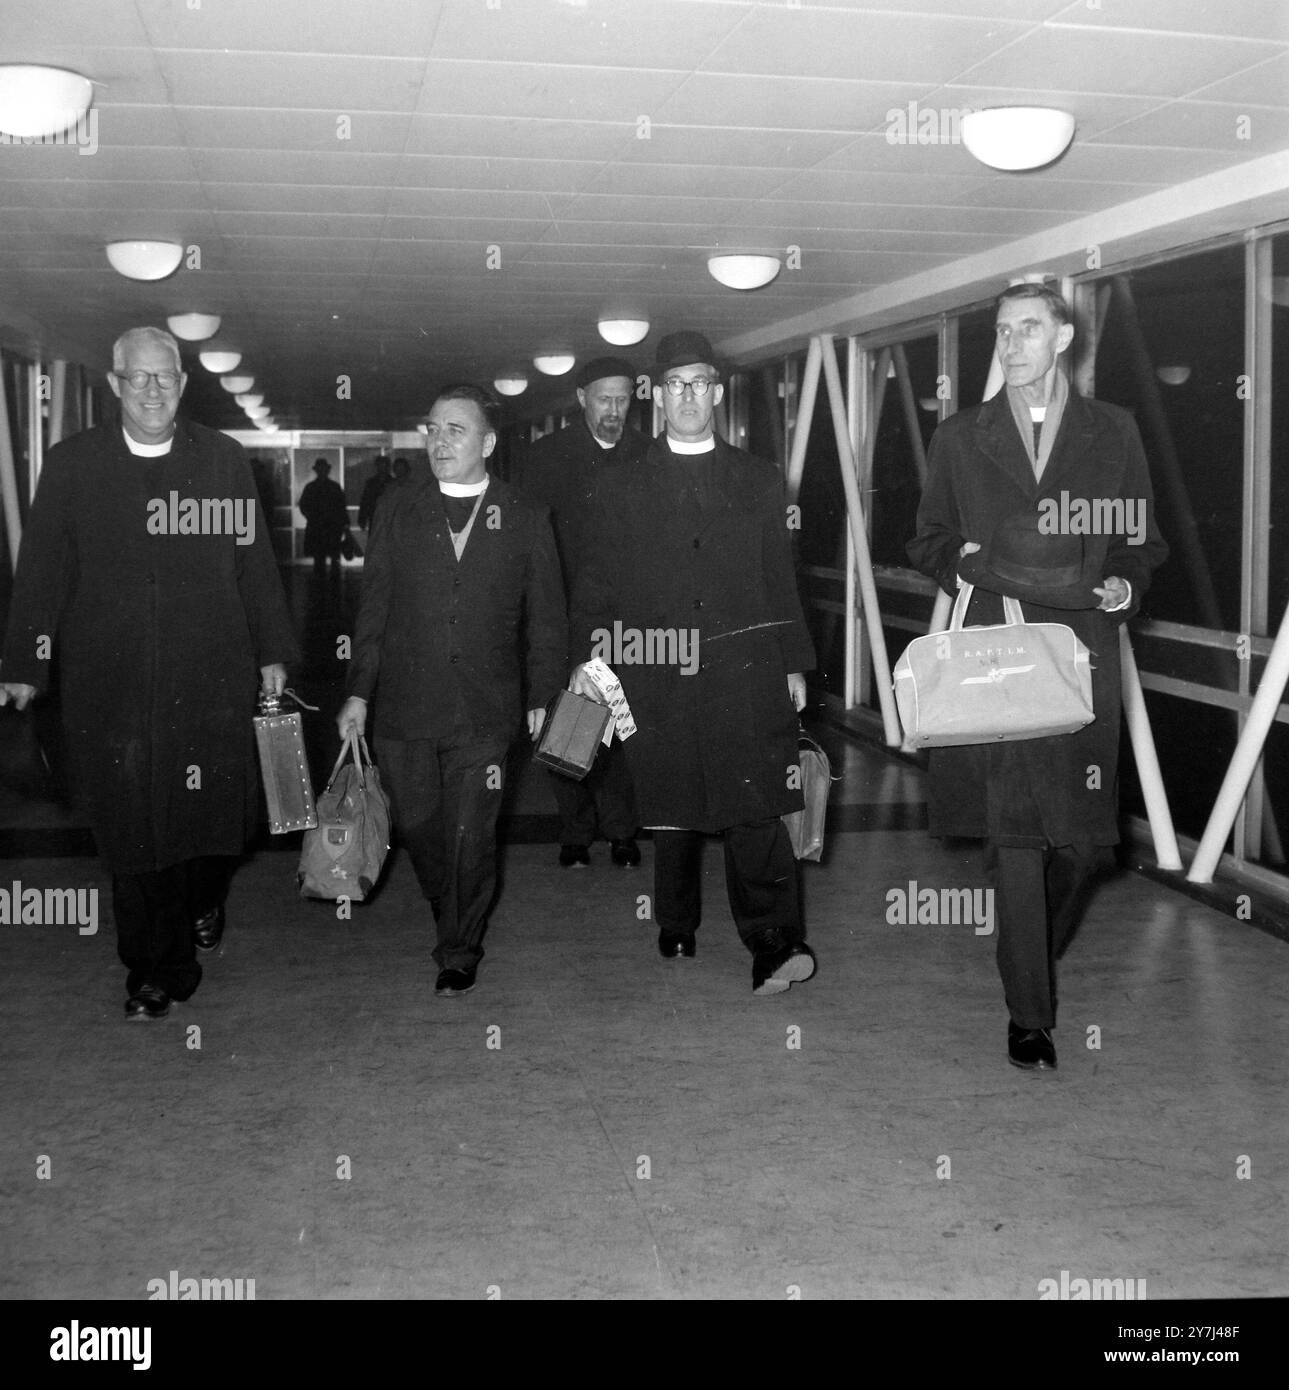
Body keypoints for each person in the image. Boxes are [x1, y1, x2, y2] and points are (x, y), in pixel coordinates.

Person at [0, 326, 299, 1021]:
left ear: (182, 383)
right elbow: (43, 570)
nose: (154, 390)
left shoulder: (221, 461)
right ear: (114, 385)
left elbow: (253, 564)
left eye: (165, 377)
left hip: (208, 678)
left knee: (208, 825)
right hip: (112, 687)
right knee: (130, 829)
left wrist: (272, 651)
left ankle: (201, 898)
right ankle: (153, 972)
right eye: (139, 378)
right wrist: (24, 663)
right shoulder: (74, 466)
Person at [907, 281, 1168, 1071]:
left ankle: (1024, 948)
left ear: (1063, 338)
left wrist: (1125, 585)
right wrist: (968, 561)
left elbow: (1138, 539)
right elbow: (925, 540)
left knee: (1086, 847)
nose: (1011, 343)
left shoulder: (1112, 431)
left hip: (1078, 654)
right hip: (994, 656)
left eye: (1027, 329)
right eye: (1001, 331)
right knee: (1014, 838)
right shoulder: (960, 437)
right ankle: (1029, 1015)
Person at [570, 330, 817, 996]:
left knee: (754, 805)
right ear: (657, 394)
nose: (687, 395)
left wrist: (793, 662)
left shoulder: (758, 478)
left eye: (699, 383)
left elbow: (777, 577)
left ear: (715, 390)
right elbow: (595, 584)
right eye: (675, 384)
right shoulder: (618, 484)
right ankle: (675, 919)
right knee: (671, 798)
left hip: (744, 670)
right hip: (654, 666)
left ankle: (771, 942)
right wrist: (591, 661)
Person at [337, 384, 566, 997]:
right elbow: (374, 608)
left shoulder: (524, 516)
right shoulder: (397, 509)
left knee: (472, 831)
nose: (439, 441)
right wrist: (358, 692)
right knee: (421, 827)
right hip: (405, 708)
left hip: (487, 711)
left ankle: (458, 947)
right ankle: (449, 901)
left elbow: (547, 617)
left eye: (455, 430)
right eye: (433, 429)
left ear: (487, 442)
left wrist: (544, 696)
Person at [515, 356, 646, 869]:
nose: (614, 409)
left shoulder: (646, 455)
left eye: (622, 399)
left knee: (620, 723)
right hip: (561, 612)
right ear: (581, 398)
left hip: (625, 620)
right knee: (562, 722)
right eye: (603, 399)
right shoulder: (547, 458)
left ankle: (621, 831)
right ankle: (574, 830)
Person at [298, 457, 347, 575]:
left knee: (321, 559)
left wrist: (311, 517)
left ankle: (320, 587)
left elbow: (303, 505)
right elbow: (341, 507)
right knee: (328, 558)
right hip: (328, 527)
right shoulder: (333, 487)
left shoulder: (311, 487)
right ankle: (332, 588)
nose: (322, 471)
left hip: (322, 527)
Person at [357, 454, 392, 532]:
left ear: (388, 467)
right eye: (380, 466)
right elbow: (365, 501)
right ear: (377, 467)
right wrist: (362, 518)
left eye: (384, 465)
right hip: (374, 516)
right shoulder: (371, 483)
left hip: (390, 518)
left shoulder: (393, 483)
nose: (382, 468)